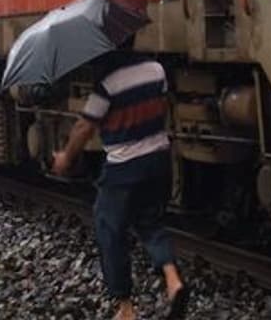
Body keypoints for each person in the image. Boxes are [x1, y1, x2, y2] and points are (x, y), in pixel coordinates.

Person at [51, 44, 188, 320]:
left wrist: (66, 157)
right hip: (159, 159)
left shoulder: (107, 84)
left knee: (109, 230)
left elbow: (84, 127)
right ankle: (173, 281)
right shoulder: (156, 70)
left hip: (125, 167)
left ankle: (125, 308)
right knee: (150, 221)